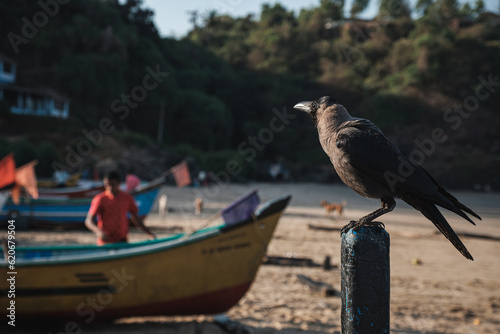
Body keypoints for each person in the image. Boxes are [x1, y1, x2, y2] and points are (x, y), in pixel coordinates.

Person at [85, 171, 155, 245]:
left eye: (112, 185)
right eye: (107, 185)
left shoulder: (126, 198)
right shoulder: (100, 199)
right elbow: (89, 220)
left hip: (122, 240)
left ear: (118, 183)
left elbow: (135, 217)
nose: (110, 188)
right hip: (106, 242)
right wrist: (98, 232)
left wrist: (149, 233)